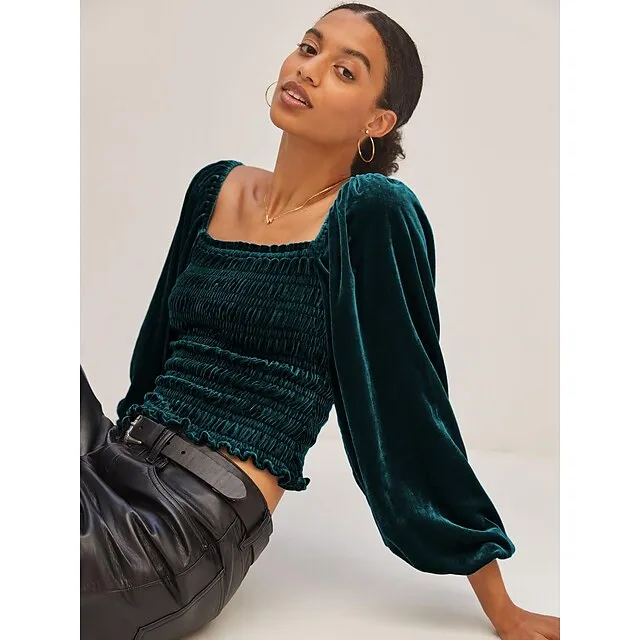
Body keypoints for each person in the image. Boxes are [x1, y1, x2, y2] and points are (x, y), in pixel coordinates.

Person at [80, 3, 560, 639]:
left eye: (344, 71)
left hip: (177, 532)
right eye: (309, 48)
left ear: (377, 121)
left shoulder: (370, 212)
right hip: (111, 464)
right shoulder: (215, 188)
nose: (309, 70)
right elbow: (155, 355)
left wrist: (500, 604)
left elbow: (411, 407)